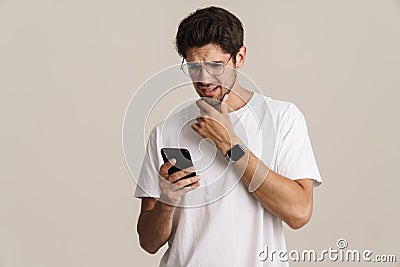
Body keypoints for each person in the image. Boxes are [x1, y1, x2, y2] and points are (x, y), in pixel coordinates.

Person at [134, 6, 322, 267]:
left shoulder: (283, 118)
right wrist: (168, 201)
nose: (204, 78)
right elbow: (148, 242)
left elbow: (299, 212)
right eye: (193, 67)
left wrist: (230, 144)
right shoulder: (165, 131)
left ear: (240, 57)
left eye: (215, 65)